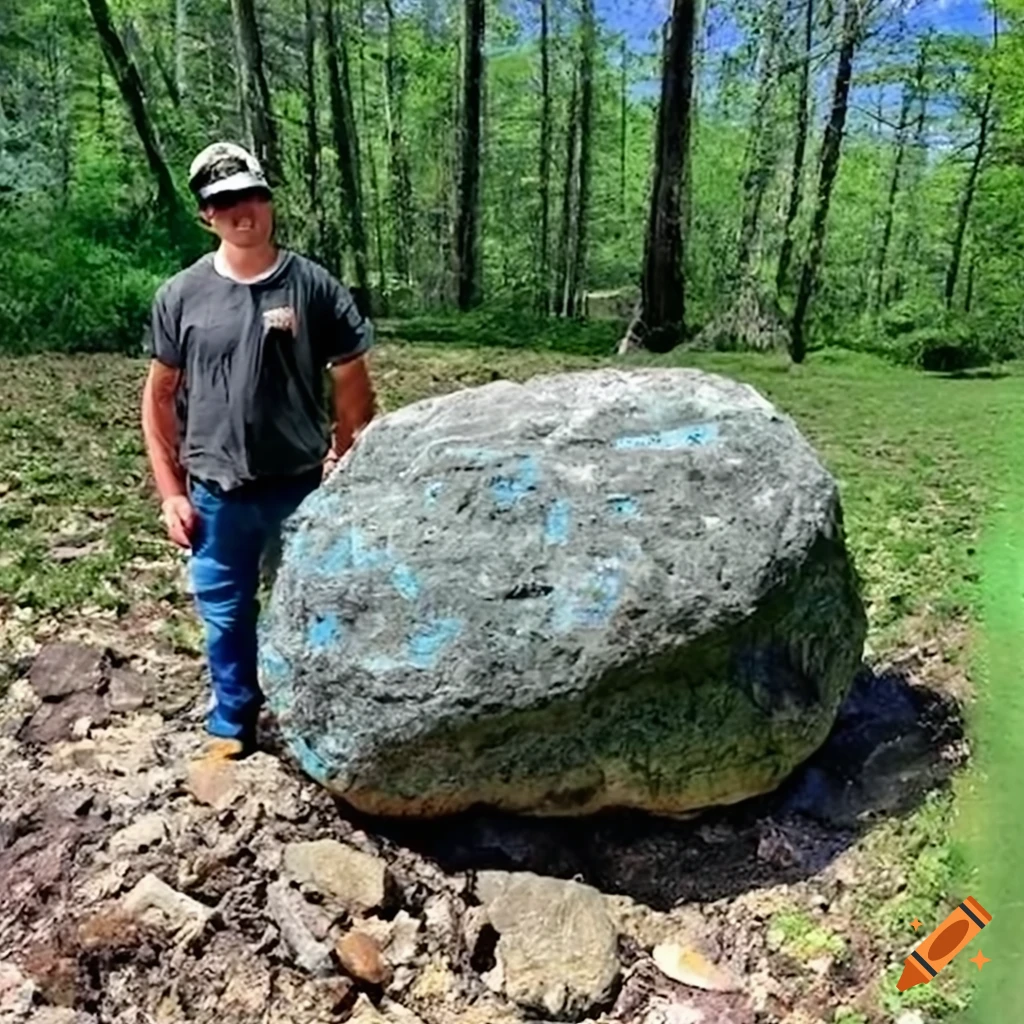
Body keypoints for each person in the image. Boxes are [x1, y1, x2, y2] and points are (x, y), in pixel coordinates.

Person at [141, 141, 376, 761]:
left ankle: (330, 730)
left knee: (323, 606)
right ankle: (233, 726)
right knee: (225, 617)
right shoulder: (181, 296)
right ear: (205, 216)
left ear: (269, 201)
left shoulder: (314, 287)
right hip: (215, 493)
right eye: (224, 202)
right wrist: (170, 493)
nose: (241, 211)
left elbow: (351, 379)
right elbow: (161, 398)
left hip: (301, 488)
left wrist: (343, 456)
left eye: (250, 196)